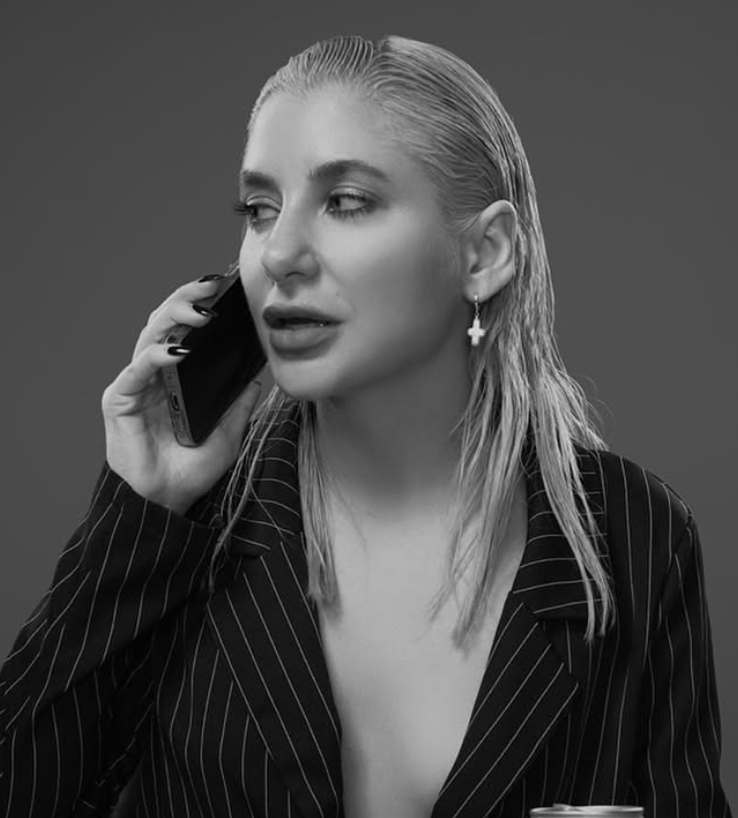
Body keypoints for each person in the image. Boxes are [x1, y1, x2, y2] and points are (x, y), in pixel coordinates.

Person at [0, 33, 731, 818]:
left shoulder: (635, 533)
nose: (278, 252)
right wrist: (138, 515)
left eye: (345, 202)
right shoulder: (190, 524)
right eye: (258, 209)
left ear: (485, 253)